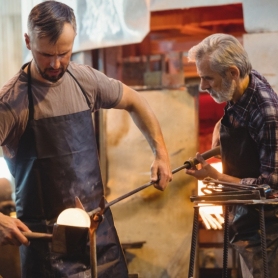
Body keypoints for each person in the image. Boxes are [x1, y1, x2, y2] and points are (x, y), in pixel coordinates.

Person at [0, 1, 172, 277]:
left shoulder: (84, 81)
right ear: (28, 42)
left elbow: (135, 101)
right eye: (46, 54)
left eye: (64, 53)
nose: (56, 64)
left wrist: (160, 153)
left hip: (97, 234)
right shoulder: (11, 103)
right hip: (46, 245)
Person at [185, 33, 278, 278]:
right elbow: (244, 128)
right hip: (244, 218)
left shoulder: (267, 113)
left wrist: (217, 177)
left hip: (266, 231)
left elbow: (271, 187)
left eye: (208, 78)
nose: (203, 86)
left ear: (233, 73)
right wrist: (221, 128)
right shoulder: (244, 86)